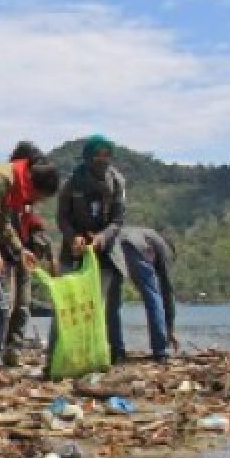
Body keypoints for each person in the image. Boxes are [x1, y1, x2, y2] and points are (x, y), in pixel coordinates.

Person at [0, 142, 60, 387]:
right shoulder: (0, 179)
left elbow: (4, 223)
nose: (35, 202)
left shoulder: (13, 184)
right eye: (38, 197)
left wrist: (20, 250)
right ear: (33, 183)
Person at [56, 134, 128, 363]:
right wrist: (72, 238)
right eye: (97, 154)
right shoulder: (71, 183)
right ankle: (61, 356)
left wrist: (102, 238)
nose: (102, 159)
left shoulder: (117, 182)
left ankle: (105, 354)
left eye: (107, 154)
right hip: (75, 250)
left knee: (103, 306)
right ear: (88, 157)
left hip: (105, 251)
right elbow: (62, 217)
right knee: (69, 306)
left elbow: (118, 220)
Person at [114, 226, 178, 363]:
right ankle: (160, 351)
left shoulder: (149, 234)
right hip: (133, 246)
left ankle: (116, 351)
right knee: (153, 297)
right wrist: (170, 328)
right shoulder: (164, 249)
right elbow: (167, 290)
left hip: (113, 245)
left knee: (112, 302)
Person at [1, 209, 56, 363]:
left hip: (25, 259)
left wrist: (54, 271)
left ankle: (14, 349)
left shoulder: (35, 222)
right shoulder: (11, 208)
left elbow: (51, 258)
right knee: (4, 304)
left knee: (23, 305)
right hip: (7, 254)